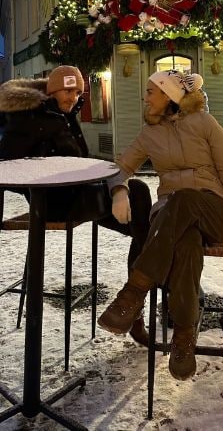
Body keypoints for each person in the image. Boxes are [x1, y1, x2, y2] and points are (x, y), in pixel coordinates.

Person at [98, 69, 223, 381]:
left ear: (170, 96)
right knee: (185, 246)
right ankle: (184, 335)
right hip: (172, 214)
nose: (145, 98)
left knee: (183, 198)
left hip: (214, 209)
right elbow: (120, 167)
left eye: (151, 91)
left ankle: (133, 292)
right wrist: (119, 191)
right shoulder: (149, 134)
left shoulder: (204, 123)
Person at [0, 65, 152, 345]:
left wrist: (116, 188)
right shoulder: (28, 117)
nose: (73, 97)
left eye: (77, 92)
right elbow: (8, 167)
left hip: (78, 195)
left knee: (140, 208)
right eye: (68, 91)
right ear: (53, 90)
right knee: (141, 202)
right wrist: (43, 177)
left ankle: (134, 297)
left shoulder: (62, 114)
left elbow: (80, 158)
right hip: (53, 201)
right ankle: (135, 299)